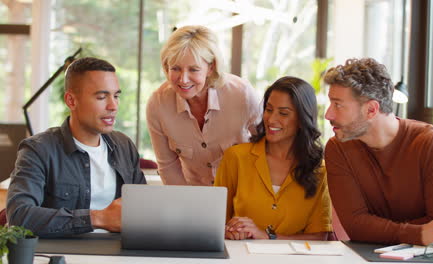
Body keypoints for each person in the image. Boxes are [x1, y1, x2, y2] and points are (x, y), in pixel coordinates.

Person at [323, 58, 433, 245]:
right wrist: (419, 233)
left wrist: (376, 228)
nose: (328, 114)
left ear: (372, 109)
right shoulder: (338, 148)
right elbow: (355, 226)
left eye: (338, 105)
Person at [7, 57, 147, 237]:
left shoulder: (123, 145)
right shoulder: (38, 150)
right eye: (101, 97)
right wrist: (99, 218)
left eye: (116, 96)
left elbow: (144, 208)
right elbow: (19, 216)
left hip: (121, 252)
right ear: (71, 101)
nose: (113, 106)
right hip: (65, 253)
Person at [215, 76, 332, 240]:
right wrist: (230, 230)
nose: (271, 119)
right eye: (269, 110)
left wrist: (266, 236)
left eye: (283, 113)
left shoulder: (319, 170)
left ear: (302, 119)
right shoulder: (236, 157)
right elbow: (216, 222)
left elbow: (320, 237)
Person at [146, 25, 260, 186]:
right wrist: (183, 207)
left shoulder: (242, 95)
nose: (183, 79)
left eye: (193, 69)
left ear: (211, 67)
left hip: (244, 191)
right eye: (176, 69)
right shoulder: (158, 105)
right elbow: (168, 167)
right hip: (194, 195)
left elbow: (267, 149)